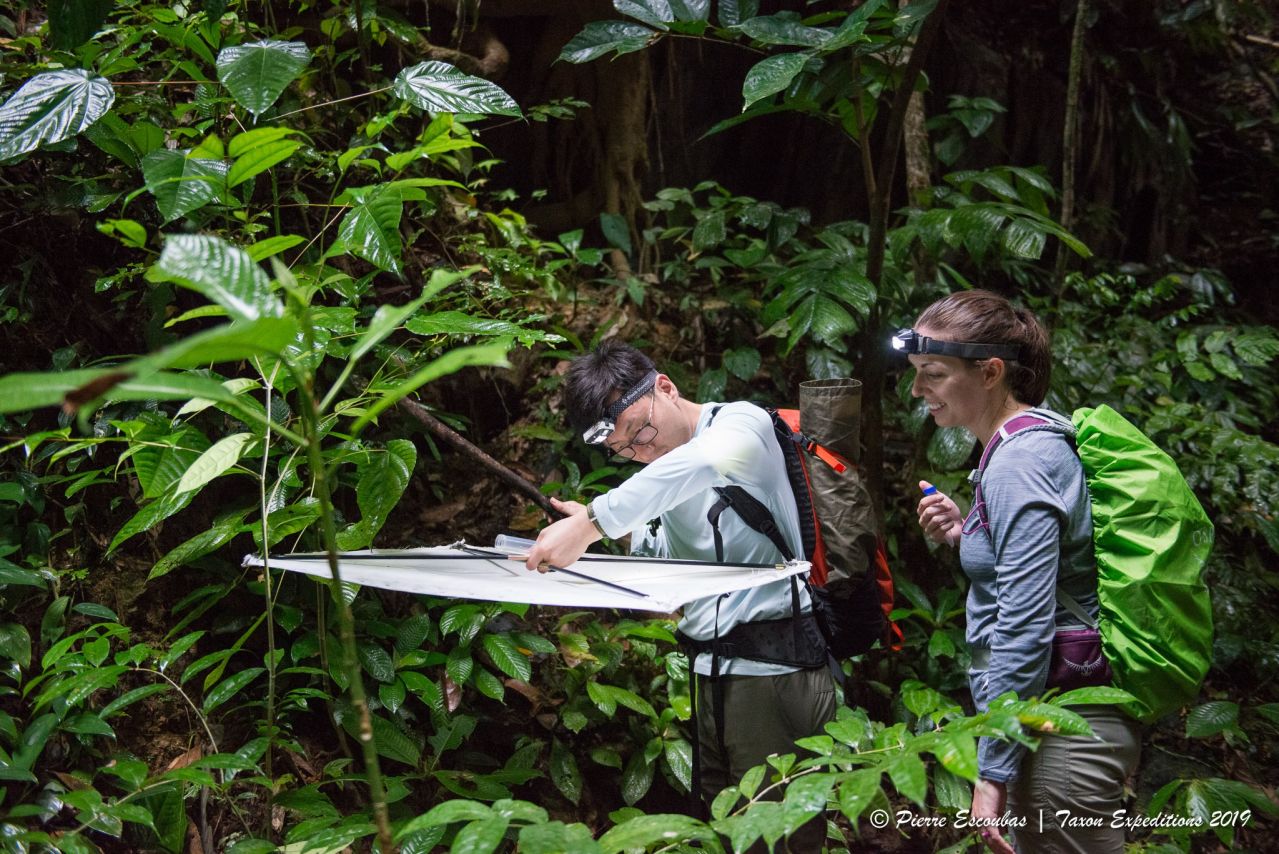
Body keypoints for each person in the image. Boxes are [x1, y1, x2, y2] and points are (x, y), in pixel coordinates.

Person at [525, 341, 836, 851]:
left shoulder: (741, 425)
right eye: (623, 449)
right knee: (723, 828)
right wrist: (606, 538)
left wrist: (593, 522)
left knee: (775, 835)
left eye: (641, 432)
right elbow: (664, 582)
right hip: (710, 675)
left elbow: (707, 462)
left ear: (665, 387)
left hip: (773, 673)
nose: (640, 451)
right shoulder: (662, 477)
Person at [904, 290, 1140, 854]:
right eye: (915, 374)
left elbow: (1026, 623)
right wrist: (968, 533)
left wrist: (993, 771)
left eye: (932, 374)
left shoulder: (1019, 464)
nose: (917, 391)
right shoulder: (1033, 439)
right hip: (1062, 714)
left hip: (1061, 728)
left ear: (989, 372)